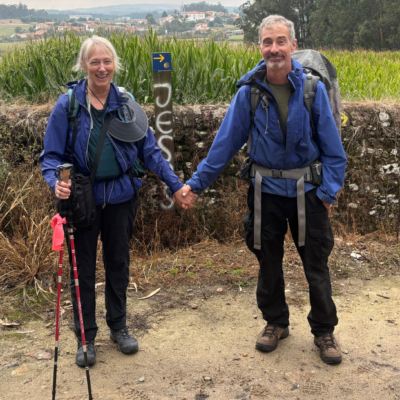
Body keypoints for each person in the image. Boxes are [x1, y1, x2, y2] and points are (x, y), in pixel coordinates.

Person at [183, 15, 347, 364]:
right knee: (267, 260)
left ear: (292, 45)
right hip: (265, 192)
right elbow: (224, 146)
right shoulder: (249, 94)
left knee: (315, 262)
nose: (274, 48)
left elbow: (334, 150)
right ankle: (275, 322)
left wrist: (328, 192)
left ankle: (324, 331)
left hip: (308, 192)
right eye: (267, 42)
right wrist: (194, 186)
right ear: (260, 47)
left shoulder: (312, 91)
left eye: (281, 41)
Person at [40, 36, 196, 367]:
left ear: (115, 65)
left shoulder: (126, 103)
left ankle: (119, 327)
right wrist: (56, 183)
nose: (101, 68)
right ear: (83, 66)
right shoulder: (68, 106)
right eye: (94, 62)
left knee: (118, 264)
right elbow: (51, 156)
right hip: (82, 200)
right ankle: (86, 338)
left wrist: (176, 185)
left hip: (122, 196)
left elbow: (150, 151)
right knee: (81, 269)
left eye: (107, 61)